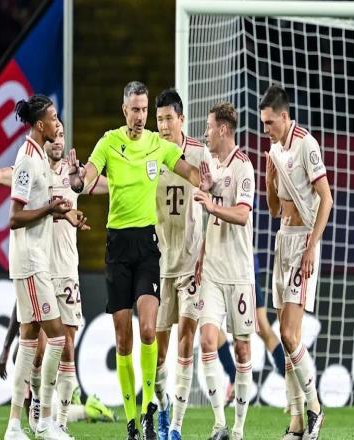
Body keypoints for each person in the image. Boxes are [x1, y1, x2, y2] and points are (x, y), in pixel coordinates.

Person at [68, 81, 211, 440]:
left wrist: (205, 178)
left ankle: (148, 409)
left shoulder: (157, 145)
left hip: (148, 246)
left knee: (148, 330)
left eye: (144, 110)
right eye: (135, 109)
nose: (140, 116)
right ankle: (131, 421)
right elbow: (86, 181)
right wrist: (75, 178)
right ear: (124, 110)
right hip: (117, 247)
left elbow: (189, 172)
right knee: (123, 340)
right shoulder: (108, 142)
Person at [0, 117, 94, 438]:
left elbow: (105, 185)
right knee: (38, 349)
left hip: (66, 270)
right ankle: (38, 414)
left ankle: (59, 422)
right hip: (39, 267)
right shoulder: (33, 169)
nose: (58, 140)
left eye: (62, 135)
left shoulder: (74, 175)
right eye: (55, 134)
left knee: (66, 347)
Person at [2, 94, 85, 440]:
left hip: (35, 260)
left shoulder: (37, 157)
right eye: (52, 118)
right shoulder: (26, 161)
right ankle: (45, 420)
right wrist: (49, 210)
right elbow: (14, 217)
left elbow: (39, 206)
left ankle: (14, 425)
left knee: (28, 339)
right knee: (57, 337)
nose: (57, 123)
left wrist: (62, 212)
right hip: (31, 261)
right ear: (40, 125)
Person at [260, 84, 332, 440]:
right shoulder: (274, 150)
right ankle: (296, 423)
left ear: (285, 117)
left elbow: (326, 199)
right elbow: (274, 210)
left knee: (288, 335)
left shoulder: (307, 144)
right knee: (289, 339)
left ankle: (315, 408)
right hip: (283, 240)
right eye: (263, 123)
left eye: (270, 122)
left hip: (304, 240)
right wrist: (269, 180)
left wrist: (311, 247)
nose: (266, 129)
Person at [194, 102, 256, 440]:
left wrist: (211, 204)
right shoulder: (211, 165)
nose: (205, 132)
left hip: (239, 273)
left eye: (209, 126)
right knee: (207, 341)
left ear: (223, 129)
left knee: (242, 350)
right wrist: (202, 252)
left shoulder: (243, 166)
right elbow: (213, 216)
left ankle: (239, 429)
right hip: (213, 272)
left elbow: (242, 215)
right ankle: (219, 423)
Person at [152, 88, 212, 440]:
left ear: (181, 120)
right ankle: (162, 409)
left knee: (186, 340)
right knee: (158, 352)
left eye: (168, 119)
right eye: (159, 119)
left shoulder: (199, 154)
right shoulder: (149, 153)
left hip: (191, 264)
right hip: (161, 265)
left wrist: (207, 250)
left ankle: (176, 425)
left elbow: (217, 194)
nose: (163, 125)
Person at [218, 254, 286, 406]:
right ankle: (233, 377)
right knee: (210, 327)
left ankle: (291, 382)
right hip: (214, 271)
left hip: (243, 269)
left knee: (262, 328)